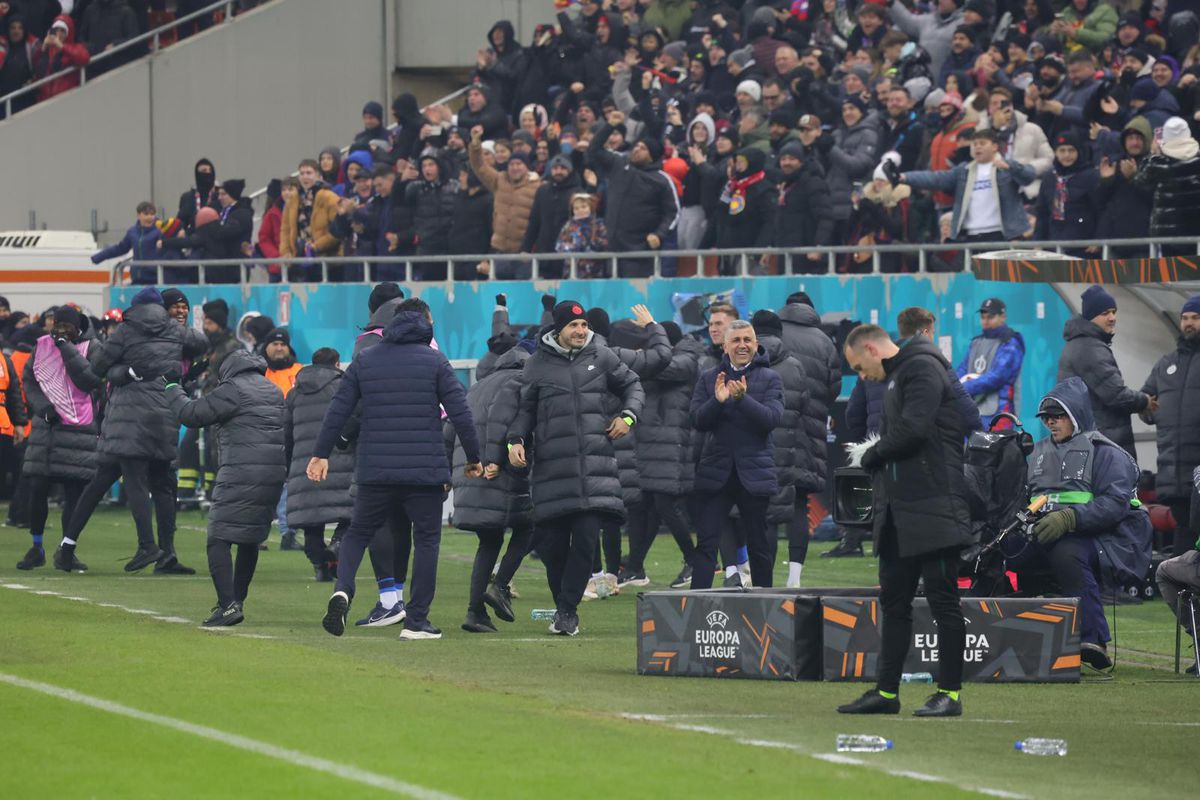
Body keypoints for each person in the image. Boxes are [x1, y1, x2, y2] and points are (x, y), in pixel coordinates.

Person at [311, 308, 481, 641]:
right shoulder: (435, 361)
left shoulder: (366, 360)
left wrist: (320, 453)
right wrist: (473, 457)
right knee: (427, 541)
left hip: (375, 469)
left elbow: (339, 410)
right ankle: (416, 622)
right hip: (425, 471)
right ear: (424, 330)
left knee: (358, 532)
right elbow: (461, 412)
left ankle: (343, 589)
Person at [837, 324, 970, 718]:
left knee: (944, 601)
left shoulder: (923, 368)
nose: (862, 378)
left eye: (859, 368)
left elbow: (914, 430)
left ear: (872, 349)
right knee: (894, 603)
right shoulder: (899, 376)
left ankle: (950, 694)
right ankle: (887, 692)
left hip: (935, 507)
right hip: (900, 511)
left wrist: (871, 456)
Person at [503, 301, 643, 635]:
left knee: (584, 539)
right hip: (552, 470)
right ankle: (562, 606)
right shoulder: (537, 365)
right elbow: (524, 411)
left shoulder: (602, 356)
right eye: (573, 327)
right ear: (559, 330)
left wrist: (628, 416)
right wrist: (514, 441)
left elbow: (633, 386)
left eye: (583, 326)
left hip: (594, 470)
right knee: (551, 547)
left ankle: (567, 611)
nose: (581, 332)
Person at [53, 288, 207, 575]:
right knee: (160, 483)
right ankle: (165, 553)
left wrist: (122, 372)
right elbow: (200, 342)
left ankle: (146, 546)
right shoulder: (174, 329)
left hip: (127, 417)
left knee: (121, 482)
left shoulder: (125, 331)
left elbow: (98, 366)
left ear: (135, 307)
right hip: (164, 411)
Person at [1014, 378, 1152, 672]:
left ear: (1076, 414)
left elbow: (1115, 505)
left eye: (1058, 416)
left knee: (1068, 553)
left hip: (1108, 538)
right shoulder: (1037, 454)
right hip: (1052, 533)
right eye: (1047, 417)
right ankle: (1012, 634)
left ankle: (1094, 640)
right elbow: (1026, 499)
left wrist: (1068, 518)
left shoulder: (1108, 453)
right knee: (1010, 550)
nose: (1051, 422)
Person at [166, 350, 286, 626]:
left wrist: (172, 387)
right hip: (272, 473)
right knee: (250, 538)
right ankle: (237, 601)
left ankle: (227, 604)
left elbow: (190, 414)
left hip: (241, 471)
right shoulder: (273, 390)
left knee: (218, 537)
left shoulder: (232, 389)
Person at [688, 319, 783, 590]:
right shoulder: (709, 378)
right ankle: (697, 603)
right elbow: (697, 420)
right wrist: (716, 403)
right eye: (736, 340)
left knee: (758, 544)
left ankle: (766, 602)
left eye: (747, 340)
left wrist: (743, 400)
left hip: (755, 472)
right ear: (725, 345)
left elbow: (771, 421)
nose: (742, 345)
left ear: (756, 343)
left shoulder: (771, 378)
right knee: (706, 543)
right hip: (716, 471)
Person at [447, 337, 534, 633]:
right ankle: (500, 586)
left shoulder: (477, 387)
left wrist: (450, 472)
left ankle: (475, 612)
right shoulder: (521, 381)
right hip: (501, 471)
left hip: (470, 473)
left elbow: (450, 430)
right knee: (531, 526)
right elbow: (505, 422)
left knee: (489, 541)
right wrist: (496, 459)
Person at [629, 321, 705, 588]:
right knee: (651, 505)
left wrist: (636, 357)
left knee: (664, 504)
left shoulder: (687, 360)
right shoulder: (668, 362)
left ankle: (695, 560)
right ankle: (635, 565)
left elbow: (661, 367)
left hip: (673, 446)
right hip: (655, 447)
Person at [14, 307, 91, 571]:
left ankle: (67, 549)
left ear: (77, 327)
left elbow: (88, 379)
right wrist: (42, 407)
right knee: (37, 487)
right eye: (56, 324)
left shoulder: (92, 347)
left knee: (74, 492)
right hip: (46, 430)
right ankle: (36, 547)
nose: (59, 329)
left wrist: (66, 348)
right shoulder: (42, 346)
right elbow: (30, 380)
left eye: (65, 325)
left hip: (78, 430)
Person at [778, 292, 842, 585]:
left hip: (774, 424)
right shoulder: (825, 341)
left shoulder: (773, 332)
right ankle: (794, 576)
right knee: (800, 503)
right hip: (811, 427)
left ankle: (750, 573)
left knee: (759, 502)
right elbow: (833, 388)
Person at [1057, 285, 1153, 461]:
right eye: (1105, 313)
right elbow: (1116, 395)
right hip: (1103, 444)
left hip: (1088, 442)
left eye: (1114, 312)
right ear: (1091, 317)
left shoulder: (1077, 344)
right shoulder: (1090, 348)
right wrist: (1145, 401)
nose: (1112, 318)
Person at [896, 128, 1037, 242]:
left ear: (995, 147)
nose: (977, 147)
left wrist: (1012, 167)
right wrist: (904, 177)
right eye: (975, 144)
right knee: (976, 277)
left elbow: (1029, 176)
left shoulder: (1006, 167)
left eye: (982, 143)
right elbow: (935, 178)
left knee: (1002, 278)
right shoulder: (964, 170)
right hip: (972, 236)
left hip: (1003, 235)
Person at [284, 347, 351, 582]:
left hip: (305, 463)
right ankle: (338, 544)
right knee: (350, 513)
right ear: (337, 363)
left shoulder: (294, 393)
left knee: (311, 519)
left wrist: (290, 463)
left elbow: (287, 432)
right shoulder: (343, 387)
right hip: (340, 461)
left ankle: (320, 565)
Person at [1140, 297, 1200, 556]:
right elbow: (1144, 402)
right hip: (1172, 471)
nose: (1189, 323)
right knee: (1184, 533)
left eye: (1195, 318)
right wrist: (1148, 410)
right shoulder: (1165, 365)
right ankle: (1183, 593)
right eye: (1185, 318)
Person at [586, 120, 680, 278]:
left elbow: (673, 213)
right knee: (611, 301)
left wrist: (659, 234)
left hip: (639, 253)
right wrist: (609, 126)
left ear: (652, 156)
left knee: (635, 300)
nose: (636, 149)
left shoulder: (662, 180)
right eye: (637, 145)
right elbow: (594, 150)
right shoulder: (619, 163)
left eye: (643, 148)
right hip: (610, 249)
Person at [468, 127, 542, 280]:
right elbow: (479, 166)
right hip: (499, 251)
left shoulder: (537, 186)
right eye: (512, 164)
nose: (515, 168)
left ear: (526, 167)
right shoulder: (499, 180)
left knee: (522, 295)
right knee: (498, 295)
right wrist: (475, 144)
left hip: (524, 254)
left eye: (519, 164)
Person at [957, 297, 1025, 429]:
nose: (986, 321)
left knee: (997, 448)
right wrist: (955, 385)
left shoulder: (1010, 344)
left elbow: (997, 377)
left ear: (1003, 317)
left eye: (991, 317)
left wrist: (962, 388)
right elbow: (962, 369)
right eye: (983, 317)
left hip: (999, 413)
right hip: (973, 411)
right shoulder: (976, 342)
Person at [1137, 116, 1200, 251]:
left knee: (1172, 271)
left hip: (1168, 234)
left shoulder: (1159, 162)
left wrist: (1152, 153)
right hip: (1197, 228)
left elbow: (1141, 180)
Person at [280, 159, 342, 275]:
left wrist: (316, 246)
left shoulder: (330, 197)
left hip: (324, 258)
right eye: (302, 173)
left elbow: (338, 229)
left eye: (309, 173)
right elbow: (285, 229)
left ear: (318, 175)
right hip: (298, 257)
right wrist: (285, 251)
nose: (305, 177)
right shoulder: (292, 200)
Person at [91, 201, 164, 285]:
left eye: (152, 214)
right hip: (137, 277)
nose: (150, 217)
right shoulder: (132, 232)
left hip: (155, 278)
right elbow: (121, 248)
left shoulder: (160, 231)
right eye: (146, 214)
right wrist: (99, 256)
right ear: (138, 215)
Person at [177, 158, 219, 233]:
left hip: (215, 238)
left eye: (210, 170)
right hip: (192, 238)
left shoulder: (219, 195)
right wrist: (181, 230)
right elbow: (181, 220)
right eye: (204, 171)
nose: (208, 173)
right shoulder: (187, 197)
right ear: (197, 174)